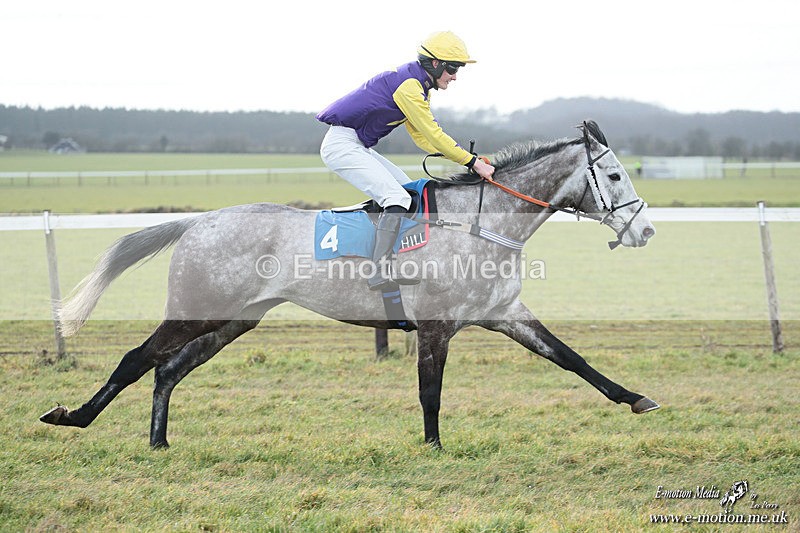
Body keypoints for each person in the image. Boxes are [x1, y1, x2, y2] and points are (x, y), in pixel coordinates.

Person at [316, 31, 495, 290]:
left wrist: (467, 159)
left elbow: (422, 137)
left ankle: (397, 260)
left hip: (356, 146)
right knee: (397, 198)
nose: (455, 76)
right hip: (341, 145)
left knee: (408, 195)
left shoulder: (419, 86)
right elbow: (433, 134)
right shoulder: (410, 86)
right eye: (453, 68)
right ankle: (378, 271)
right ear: (436, 64)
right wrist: (472, 162)